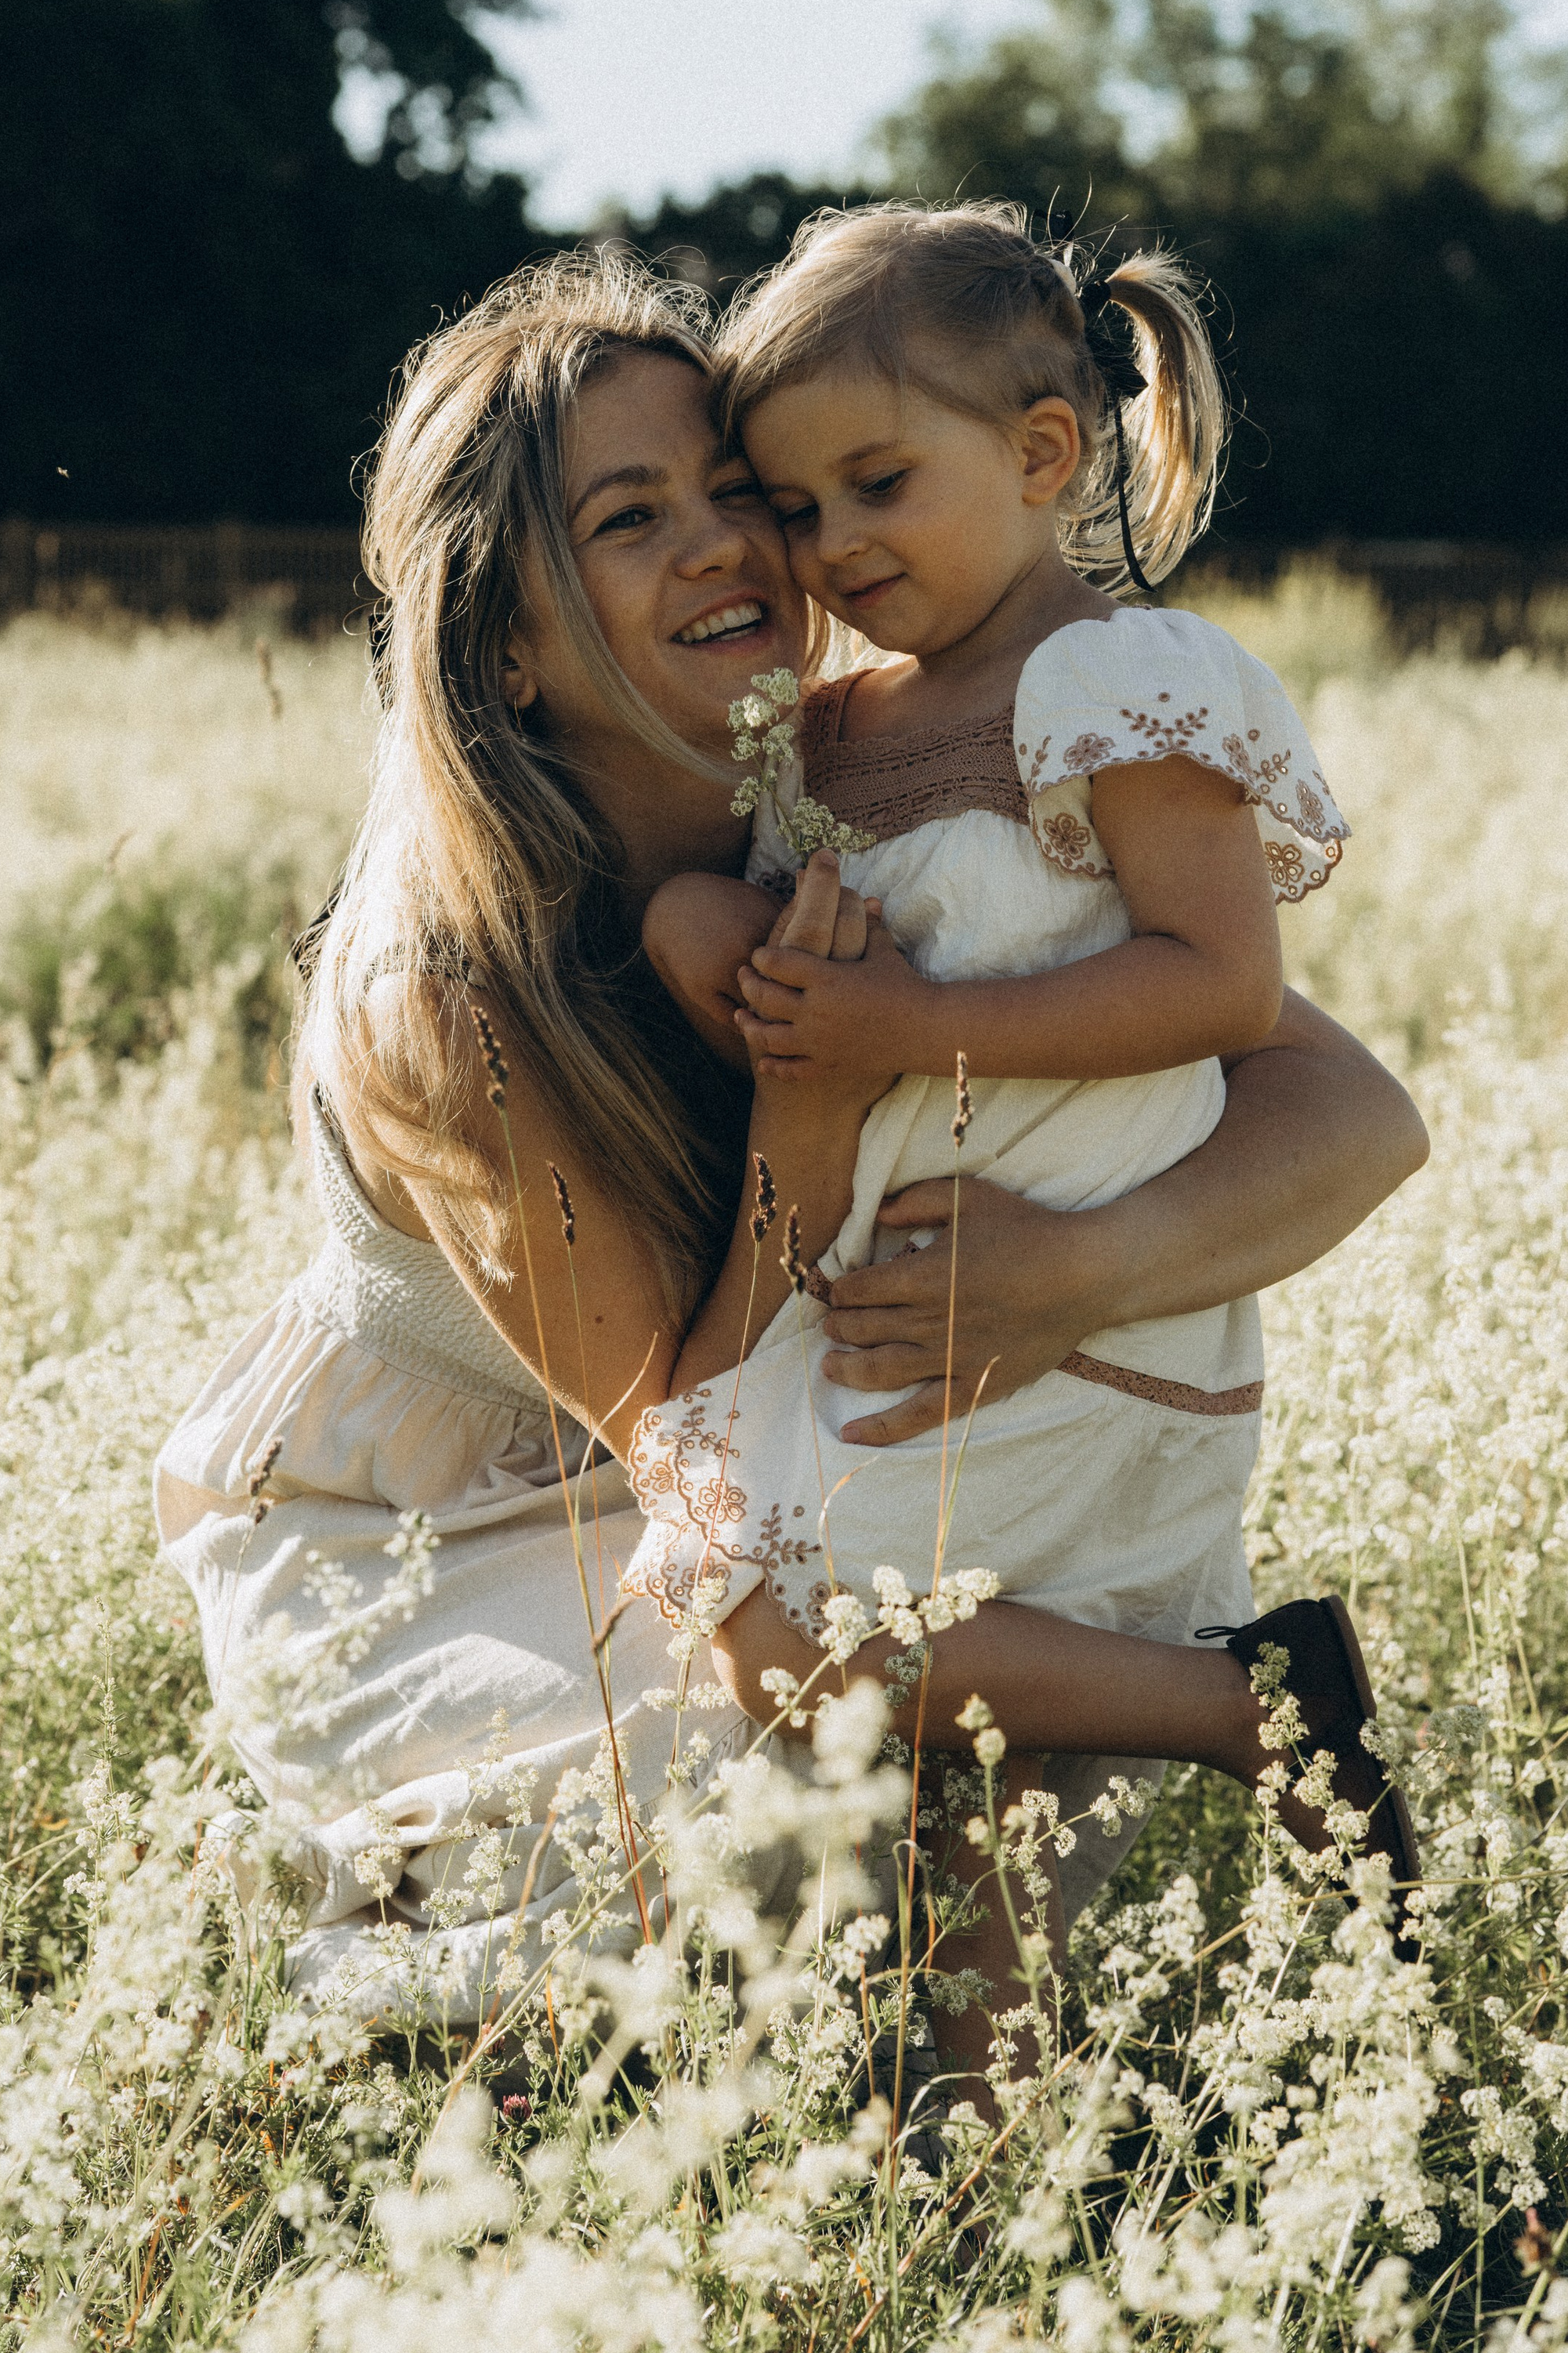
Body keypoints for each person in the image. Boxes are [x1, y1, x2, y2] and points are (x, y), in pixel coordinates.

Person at [153, 249, 1427, 2042]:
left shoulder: (863, 789)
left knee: (968, 1716)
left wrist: (1070, 1273)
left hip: (766, 1450)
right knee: (798, 1778)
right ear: (504, 637)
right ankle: (358, 1934)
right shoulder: (441, 984)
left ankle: (972, 2157)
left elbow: (1351, 1111)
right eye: (630, 515)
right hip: (434, 1530)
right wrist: (811, 1122)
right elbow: (679, 1449)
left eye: (738, 492)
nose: (732, 545)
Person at [631, 201, 1422, 2092]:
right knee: (973, 1815)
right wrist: (714, 957)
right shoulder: (824, 732)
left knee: (827, 1652)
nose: (829, 545)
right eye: (795, 505)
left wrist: (905, 1028)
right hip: (903, 1312)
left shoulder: (1110, 684)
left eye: (876, 483)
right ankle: (973, 2175)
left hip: (1078, 1313)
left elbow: (1220, 985)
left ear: (1044, 455)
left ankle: (1253, 1706)